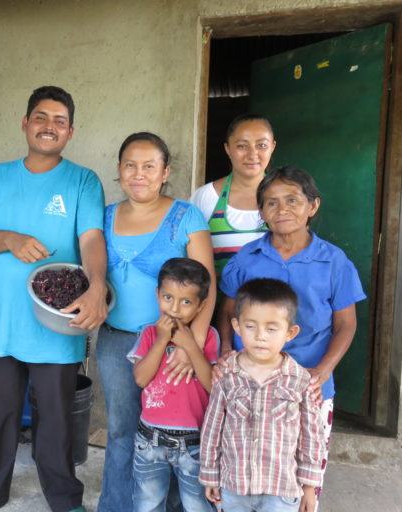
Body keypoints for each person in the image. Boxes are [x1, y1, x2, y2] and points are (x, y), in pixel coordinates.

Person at [0, 86, 107, 512]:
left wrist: (96, 286)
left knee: (56, 418)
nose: (49, 127)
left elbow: (91, 238)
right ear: (25, 124)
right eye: (41, 117)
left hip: (57, 323)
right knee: (0, 411)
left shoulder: (82, 181)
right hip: (4, 322)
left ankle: (63, 497)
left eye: (60, 121)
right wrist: (9, 238)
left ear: (71, 132)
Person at [217, 166, 366, 505]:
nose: (281, 210)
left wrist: (323, 370)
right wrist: (225, 349)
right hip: (247, 384)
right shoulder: (248, 257)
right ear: (261, 212)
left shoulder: (334, 262)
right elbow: (227, 311)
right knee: (245, 469)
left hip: (308, 385)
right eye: (271, 203)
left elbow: (346, 324)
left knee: (304, 480)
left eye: (292, 201)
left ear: (313, 206)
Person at [97, 132, 216, 512]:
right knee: (121, 431)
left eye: (150, 166)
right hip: (117, 341)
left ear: (165, 172)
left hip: (173, 346)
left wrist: (190, 346)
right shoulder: (106, 216)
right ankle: (117, 506)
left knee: (180, 433)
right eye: (130, 164)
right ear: (118, 170)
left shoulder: (186, 216)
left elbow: (207, 286)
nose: (139, 173)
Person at [200, 278, 325, 512]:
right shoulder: (227, 376)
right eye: (251, 326)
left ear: (290, 332)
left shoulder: (300, 380)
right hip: (234, 486)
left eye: (271, 328)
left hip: (281, 490)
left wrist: (310, 487)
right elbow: (212, 428)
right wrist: (209, 474)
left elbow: (311, 436)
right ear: (236, 326)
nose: (260, 336)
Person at [128, 258, 217, 512]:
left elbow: (212, 385)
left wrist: (190, 346)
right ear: (157, 295)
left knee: (197, 504)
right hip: (150, 440)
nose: (175, 308)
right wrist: (161, 340)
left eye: (186, 302)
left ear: (200, 306)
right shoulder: (148, 334)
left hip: (194, 442)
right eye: (168, 298)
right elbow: (141, 379)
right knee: (147, 503)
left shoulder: (208, 337)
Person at [190, 114, 276, 281]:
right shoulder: (206, 197)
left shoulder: (285, 198)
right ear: (227, 149)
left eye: (262, 145)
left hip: (274, 304)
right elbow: (191, 263)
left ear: (272, 147)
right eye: (242, 146)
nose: (252, 154)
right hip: (218, 304)